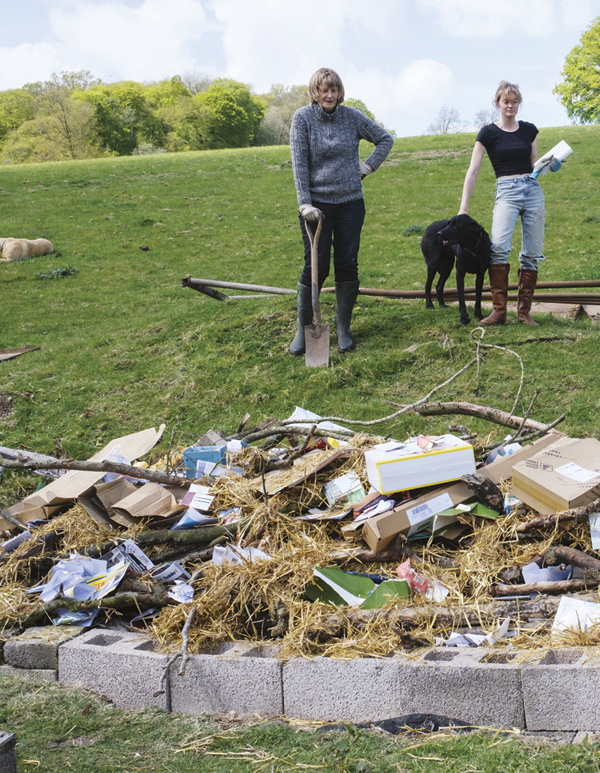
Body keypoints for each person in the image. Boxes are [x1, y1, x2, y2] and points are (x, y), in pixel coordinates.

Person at [289, 67, 394, 354]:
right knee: (316, 265)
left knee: (347, 262)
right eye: (324, 89)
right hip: (316, 208)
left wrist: (367, 167)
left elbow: (385, 139)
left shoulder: (351, 117)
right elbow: (299, 164)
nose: (330, 94)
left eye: (334, 89)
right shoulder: (302, 119)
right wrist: (305, 203)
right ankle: (304, 329)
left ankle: (342, 327)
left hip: (350, 203)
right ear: (315, 92)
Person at [458, 80, 561, 326]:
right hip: (506, 191)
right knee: (499, 248)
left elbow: (535, 166)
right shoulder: (487, 133)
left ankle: (524, 313)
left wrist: (551, 167)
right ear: (497, 104)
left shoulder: (529, 130)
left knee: (532, 253)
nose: (510, 106)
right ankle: (499, 311)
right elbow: (473, 171)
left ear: (519, 104)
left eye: (515, 102)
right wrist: (463, 207)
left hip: (532, 190)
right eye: (506, 101)